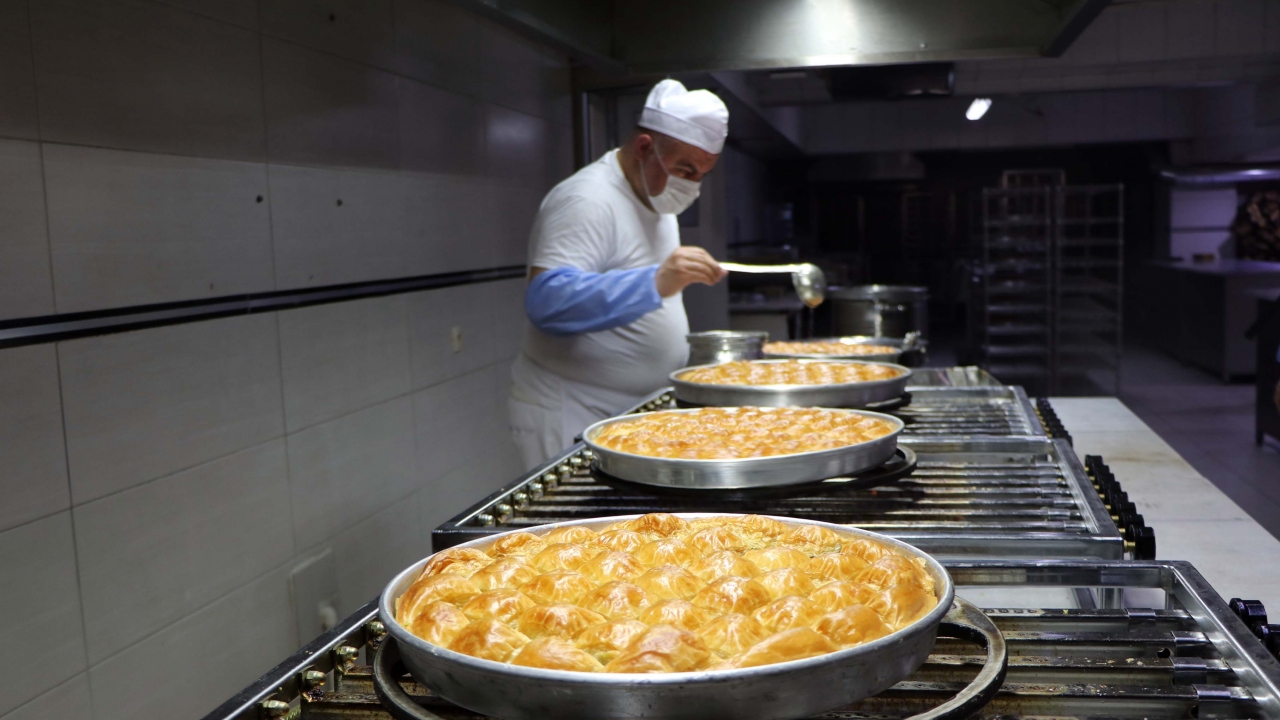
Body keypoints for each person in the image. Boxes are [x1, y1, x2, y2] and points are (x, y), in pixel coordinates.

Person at [509, 80, 730, 467]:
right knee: (575, 528)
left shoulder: (657, 200)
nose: (692, 186)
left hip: (632, 412)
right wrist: (655, 282)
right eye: (685, 169)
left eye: (701, 175)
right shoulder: (587, 199)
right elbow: (547, 301)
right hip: (574, 411)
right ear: (645, 148)